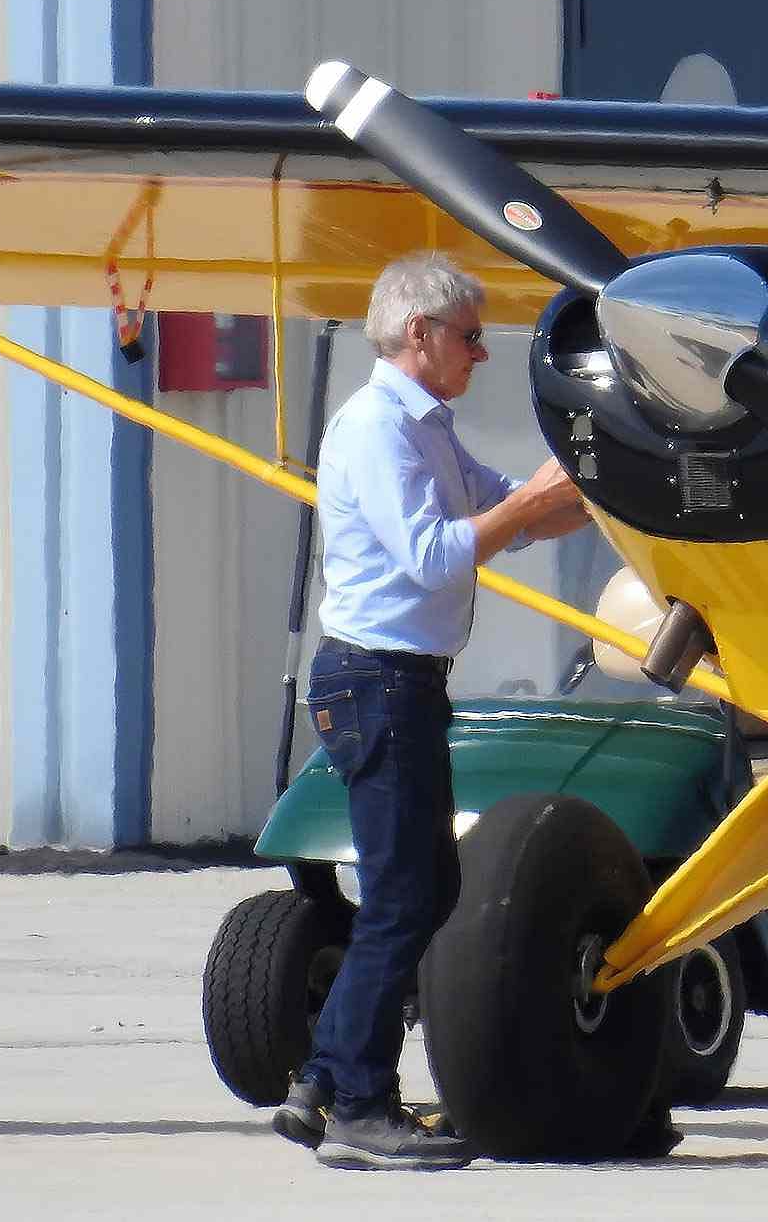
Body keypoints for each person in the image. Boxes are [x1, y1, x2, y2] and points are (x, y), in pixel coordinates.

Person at [271, 252, 590, 1171]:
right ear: (421, 333)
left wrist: (596, 489)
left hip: (398, 684)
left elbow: (513, 514)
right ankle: (358, 1105)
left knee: (426, 891)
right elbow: (436, 557)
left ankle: (325, 1081)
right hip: (377, 681)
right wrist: (529, 499)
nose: (481, 352)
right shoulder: (378, 429)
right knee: (408, 896)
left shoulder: (426, 429)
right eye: (470, 334)